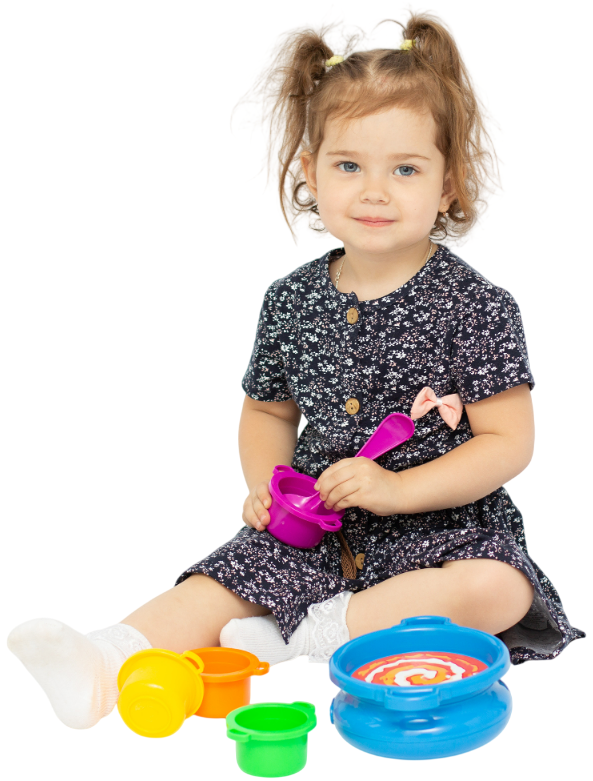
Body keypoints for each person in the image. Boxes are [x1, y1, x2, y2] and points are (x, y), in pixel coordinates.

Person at [6, 11, 586, 733]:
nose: (374, 192)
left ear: (446, 184)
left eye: (404, 169)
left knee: (494, 588)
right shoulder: (289, 298)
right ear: (310, 174)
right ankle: (103, 657)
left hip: (443, 531)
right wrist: (261, 487)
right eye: (349, 166)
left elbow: (507, 442)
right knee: (217, 581)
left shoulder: (477, 305)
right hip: (313, 524)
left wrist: (399, 490)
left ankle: (310, 634)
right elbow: (267, 411)